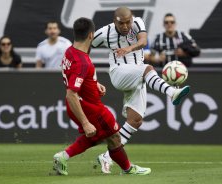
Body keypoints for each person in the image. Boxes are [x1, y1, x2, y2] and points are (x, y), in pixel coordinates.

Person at [92, 7, 190, 174]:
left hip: (137, 76)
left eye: (127, 22)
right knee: (148, 68)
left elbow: (143, 41)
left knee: (135, 120)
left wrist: (129, 49)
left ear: (132, 19)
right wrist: (92, 78)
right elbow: (85, 47)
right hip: (119, 73)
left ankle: (107, 156)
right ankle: (172, 92)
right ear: (114, 21)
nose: (125, 26)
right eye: (121, 23)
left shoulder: (137, 23)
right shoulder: (104, 32)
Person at [53, 17, 151, 176]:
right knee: (115, 137)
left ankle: (63, 156)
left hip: (79, 104)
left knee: (96, 137)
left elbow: (73, 76)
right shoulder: (82, 61)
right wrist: (85, 122)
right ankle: (128, 169)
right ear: (91, 35)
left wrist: (92, 83)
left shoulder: (70, 51)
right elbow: (71, 93)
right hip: (90, 107)